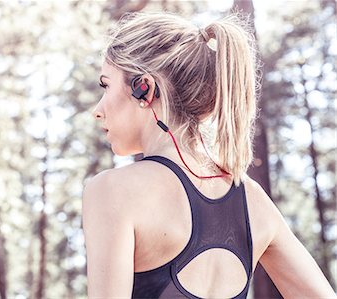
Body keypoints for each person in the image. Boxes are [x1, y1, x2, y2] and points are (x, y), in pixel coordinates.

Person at [82, 11, 336, 299]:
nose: (97, 109)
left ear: (145, 89)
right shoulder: (252, 200)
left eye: (106, 85)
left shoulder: (112, 191)